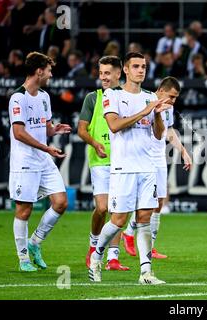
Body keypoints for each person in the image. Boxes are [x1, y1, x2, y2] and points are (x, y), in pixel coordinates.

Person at [88, 52, 171, 284]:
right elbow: (114, 126)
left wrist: (157, 116)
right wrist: (144, 112)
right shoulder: (112, 95)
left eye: (143, 66)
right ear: (125, 69)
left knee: (145, 217)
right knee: (118, 220)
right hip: (123, 168)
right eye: (136, 66)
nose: (141, 70)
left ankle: (146, 272)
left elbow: (157, 134)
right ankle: (96, 256)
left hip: (147, 167)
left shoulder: (150, 96)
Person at [8, 51, 71, 272]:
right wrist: (46, 147)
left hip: (43, 159)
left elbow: (44, 128)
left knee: (61, 202)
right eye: (49, 70)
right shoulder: (18, 98)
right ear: (39, 71)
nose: (51, 75)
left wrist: (55, 130)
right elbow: (19, 133)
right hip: (25, 162)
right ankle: (23, 258)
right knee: (24, 210)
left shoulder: (44, 97)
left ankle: (35, 242)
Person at [122, 77, 192, 259]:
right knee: (147, 202)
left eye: (176, 98)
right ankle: (129, 233)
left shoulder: (169, 108)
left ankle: (149, 245)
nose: (173, 100)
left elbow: (168, 132)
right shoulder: (145, 101)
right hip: (145, 157)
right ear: (160, 90)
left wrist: (184, 151)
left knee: (159, 202)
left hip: (159, 157)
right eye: (171, 96)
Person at [78, 55, 129, 271]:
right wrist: (94, 142)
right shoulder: (93, 98)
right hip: (99, 160)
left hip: (123, 160)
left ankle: (113, 258)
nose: (103, 77)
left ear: (119, 73)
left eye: (107, 73)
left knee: (117, 210)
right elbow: (81, 129)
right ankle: (93, 246)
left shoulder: (128, 97)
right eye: (101, 73)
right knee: (102, 207)